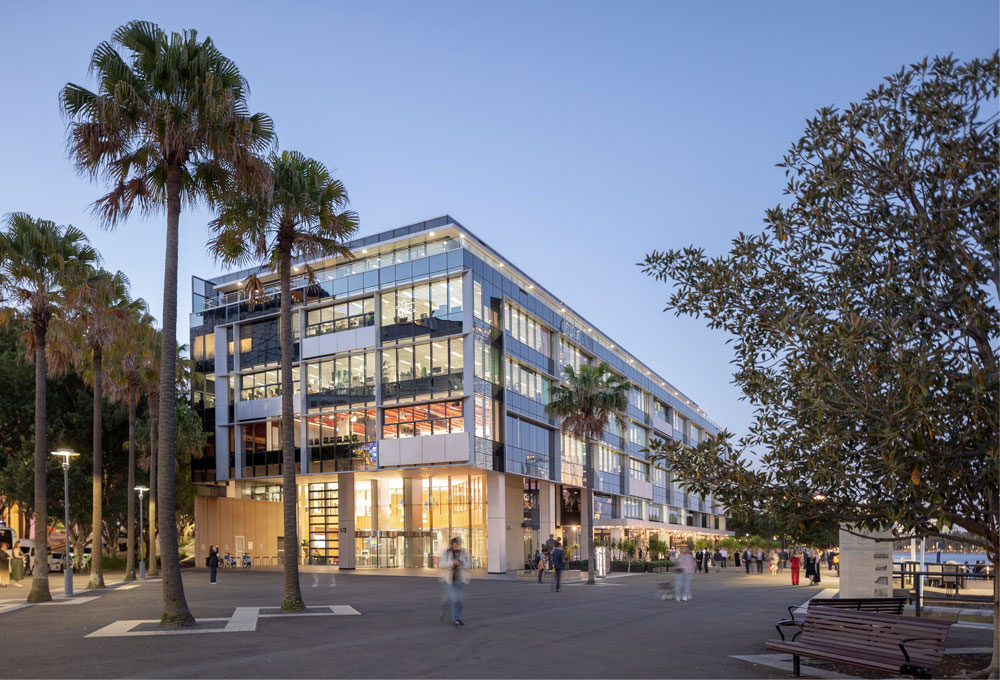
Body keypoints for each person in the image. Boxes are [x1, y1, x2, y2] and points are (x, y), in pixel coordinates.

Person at [440, 537, 471, 624]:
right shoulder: (446, 553)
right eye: (454, 544)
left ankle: (455, 616)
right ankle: (456, 619)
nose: (456, 546)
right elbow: (441, 564)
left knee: (459, 601)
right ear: (452, 544)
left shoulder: (463, 552)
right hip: (450, 580)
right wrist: (451, 563)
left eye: (457, 544)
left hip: (460, 580)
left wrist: (462, 563)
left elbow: (469, 565)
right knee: (456, 599)